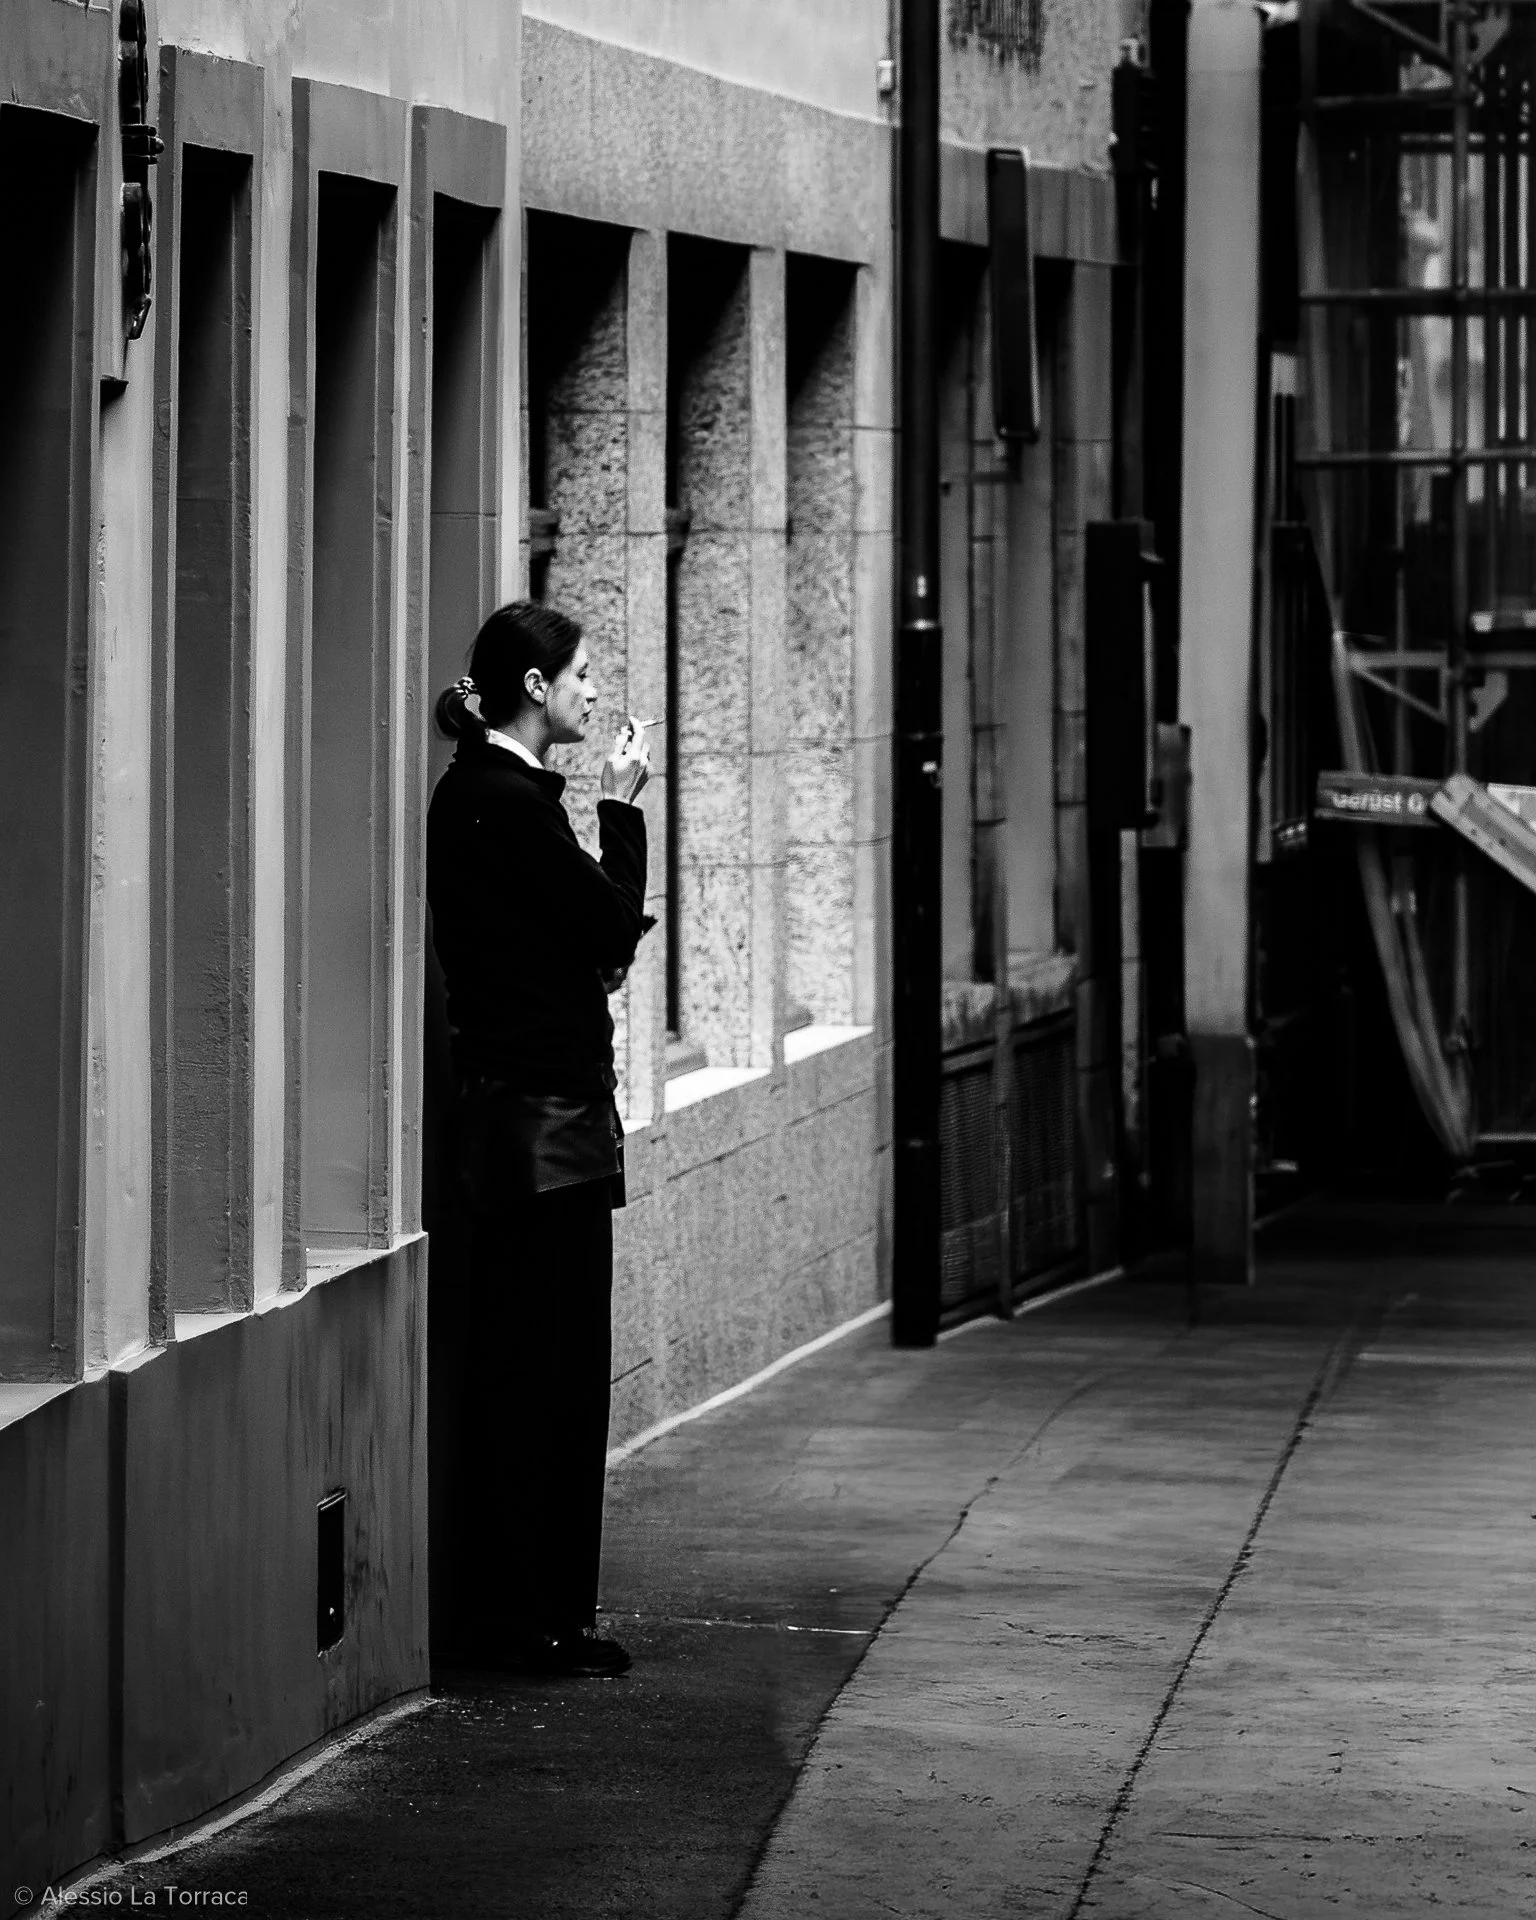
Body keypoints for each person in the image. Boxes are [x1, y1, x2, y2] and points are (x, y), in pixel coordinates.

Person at [427, 600, 652, 1678]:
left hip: (535, 1133)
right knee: (545, 1384)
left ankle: (539, 1613)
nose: (594, 693)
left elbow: (597, 954)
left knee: (543, 1381)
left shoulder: (490, 797)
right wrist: (622, 813)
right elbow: (611, 933)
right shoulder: (505, 802)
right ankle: (529, 1619)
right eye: (580, 676)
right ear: (532, 684)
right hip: (540, 1138)